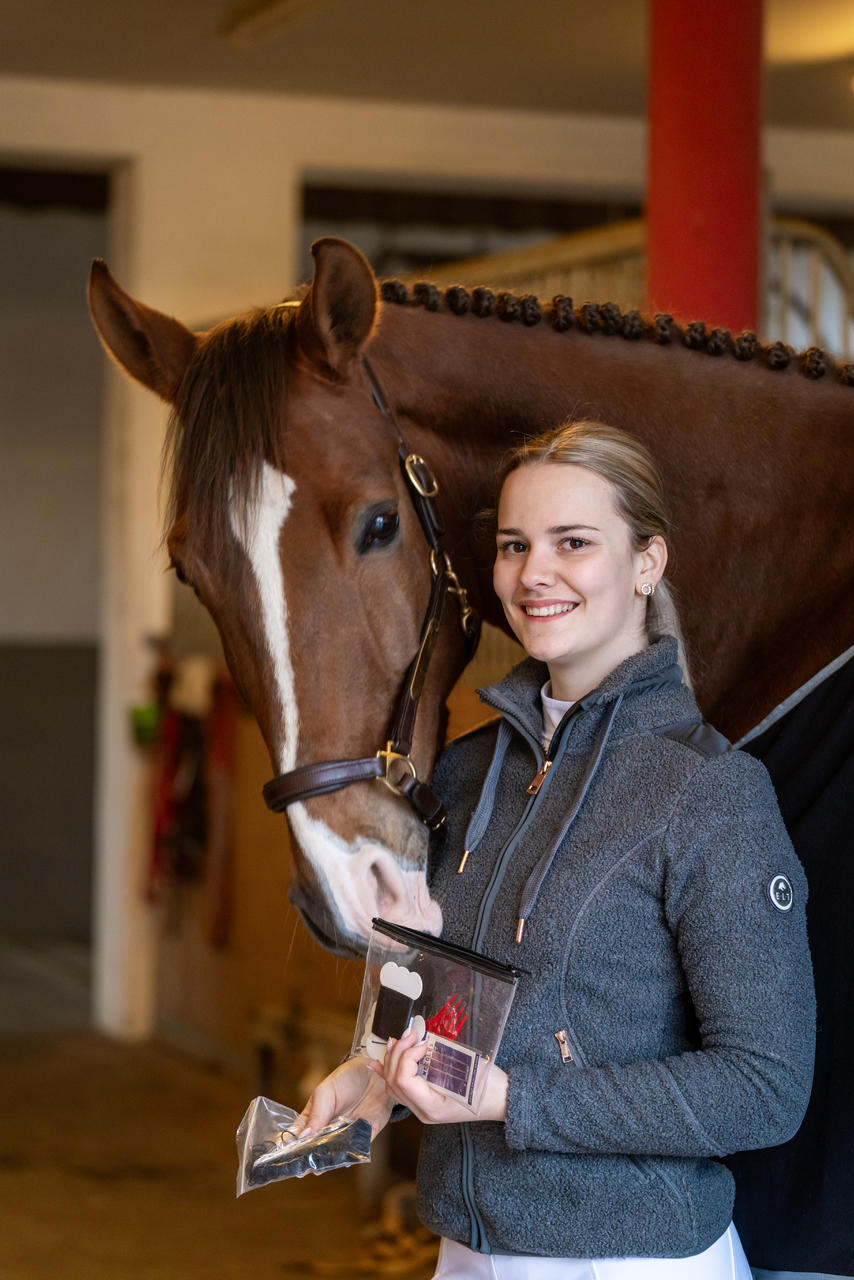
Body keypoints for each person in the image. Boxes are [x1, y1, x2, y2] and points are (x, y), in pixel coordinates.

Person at [292, 420, 815, 1279]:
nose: (534, 573)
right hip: (465, 1251)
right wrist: (375, 1080)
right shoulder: (466, 771)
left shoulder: (709, 792)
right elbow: (449, 993)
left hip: (631, 1259)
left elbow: (763, 1086)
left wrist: (513, 1101)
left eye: (573, 542)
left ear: (648, 562)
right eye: (513, 544)